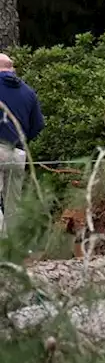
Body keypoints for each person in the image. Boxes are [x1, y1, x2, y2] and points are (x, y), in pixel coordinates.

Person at [0, 54, 44, 232]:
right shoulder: (28, 91)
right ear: (12, 68)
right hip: (18, 154)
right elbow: (38, 125)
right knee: (13, 206)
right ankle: (14, 249)